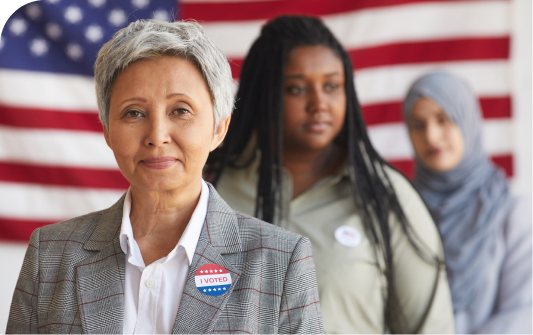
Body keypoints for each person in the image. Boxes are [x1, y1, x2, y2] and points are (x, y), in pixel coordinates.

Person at [7, 20, 323, 335]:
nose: (157, 136)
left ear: (219, 129)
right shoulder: (49, 255)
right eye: (134, 112)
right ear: (107, 131)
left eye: (180, 110)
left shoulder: (281, 260)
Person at [209, 16, 455, 335]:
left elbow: (431, 327)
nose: (319, 104)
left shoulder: (384, 195)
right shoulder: (211, 185)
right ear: (263, 94)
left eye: (331, 86)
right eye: (297, 88)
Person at [404, 72, 533, 335]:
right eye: (418, 124)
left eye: (444, 119)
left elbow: (524, 313)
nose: (432, 135)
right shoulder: (401, 210)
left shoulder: (512, 212)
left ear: (468, 121)